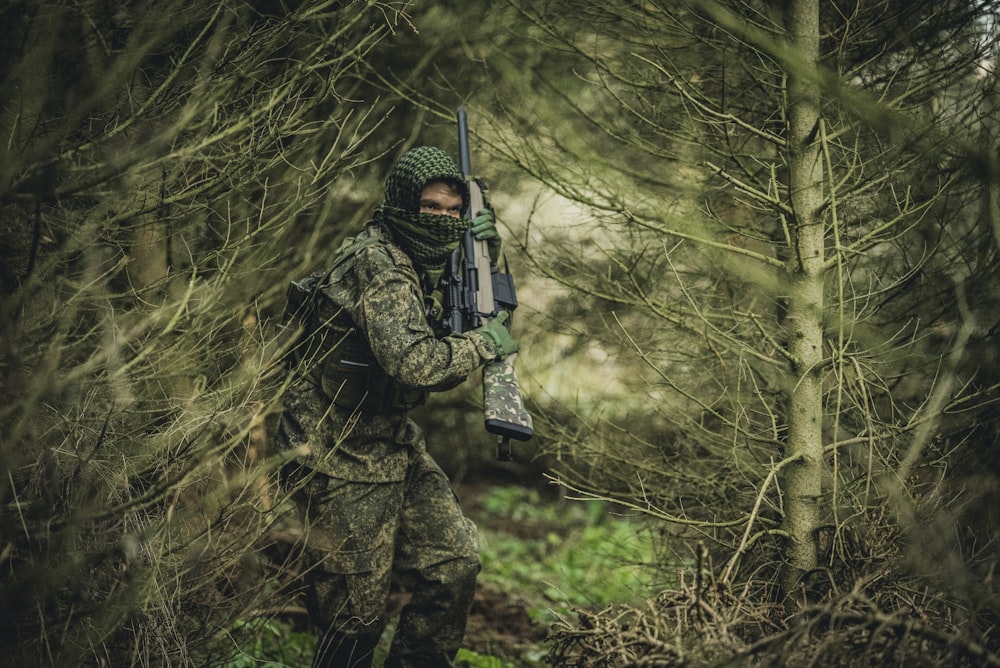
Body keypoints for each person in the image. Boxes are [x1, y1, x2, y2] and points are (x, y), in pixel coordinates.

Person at [274, 146, 519, 667]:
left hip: (390, 442)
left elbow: (465, 296)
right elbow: (417, 363)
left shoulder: (423, 255)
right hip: (335, 454)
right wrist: (485, 345)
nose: (444, 220)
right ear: (405, 205)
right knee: (354, 619)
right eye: (432, 208)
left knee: (454, 564)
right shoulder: (378, 264)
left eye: (454, 212)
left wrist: (487, 253)